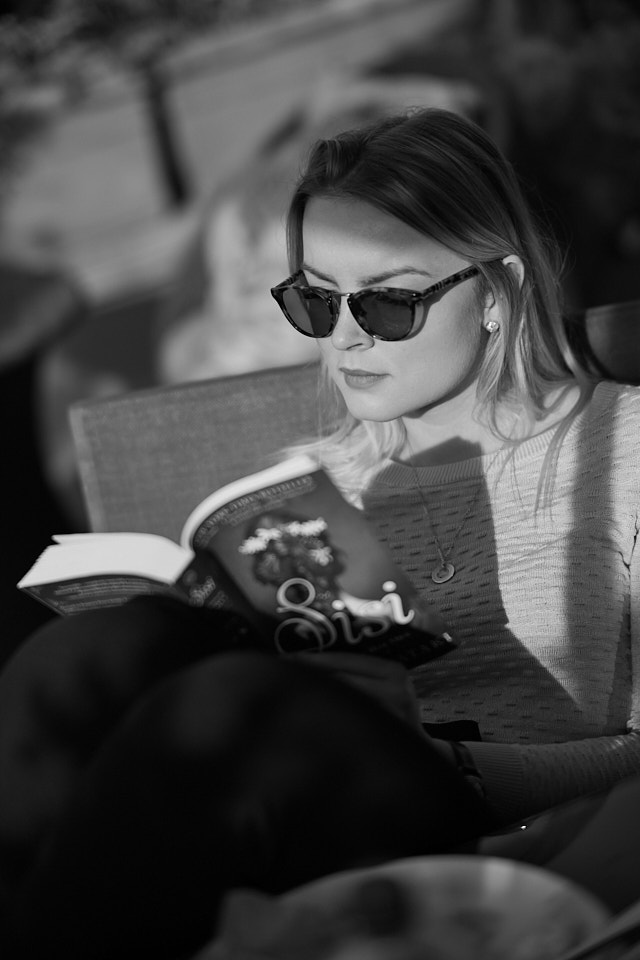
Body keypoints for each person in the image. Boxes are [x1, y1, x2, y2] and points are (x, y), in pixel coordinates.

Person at [0, 107, 638, 959]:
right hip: (307, 833)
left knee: (240, 712)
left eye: (387, 302)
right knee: (98, 652)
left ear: (499, 291)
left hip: (509, 850)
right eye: (314, 299)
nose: (343, 338)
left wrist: (457, 767)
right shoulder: (306, 491)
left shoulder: (620, 454)